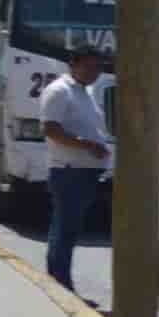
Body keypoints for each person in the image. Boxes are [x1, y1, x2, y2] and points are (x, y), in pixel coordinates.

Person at [36, 44, 115, 289]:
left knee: (70, 229)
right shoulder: (59, 91)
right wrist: (87, 145)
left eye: (99, 68)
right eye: (89, 66)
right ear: (73, 64)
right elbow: (50, 129)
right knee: (64, 228)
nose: (95, 72)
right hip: (69, 169)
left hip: (86, 171)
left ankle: (61, 280)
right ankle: (58, 283)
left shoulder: (83, 91)